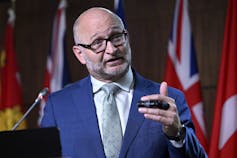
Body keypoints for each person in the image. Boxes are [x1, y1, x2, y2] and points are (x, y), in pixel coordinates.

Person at [40, 7, 207, 158]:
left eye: (117, 37)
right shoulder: (58, 106)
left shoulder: (169, 99)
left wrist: (176, 134)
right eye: (98, 43)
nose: (112, 49)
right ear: (80, 54)